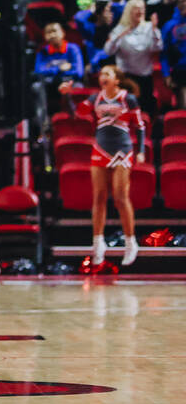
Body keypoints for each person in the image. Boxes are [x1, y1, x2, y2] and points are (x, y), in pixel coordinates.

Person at [62, 66, 144, 267]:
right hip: (100, 148)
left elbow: (140, 126)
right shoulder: (95, 98)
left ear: (117, 80)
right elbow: (77, 113)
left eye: (108, 74)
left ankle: (130, 241)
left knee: (120, 197)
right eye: (101, 74)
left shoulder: (128, 98)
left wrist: (140, 150)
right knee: (98, 196)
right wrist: (67, 96)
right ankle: (98, 243)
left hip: (122, 150)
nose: (103, 77)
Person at [104, 0, 162, 114]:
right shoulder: (120, 29)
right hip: (126, 77)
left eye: (142, 8)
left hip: (145, 77)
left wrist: (155, 31)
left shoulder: (150, 27)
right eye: (136, 8)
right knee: (127, 111)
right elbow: (108, 51)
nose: (140, 11)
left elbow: (158, 48)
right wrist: (119, 36)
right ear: (129, 11)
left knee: (145, 112)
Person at [30, 21, 85, 132]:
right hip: (49, 83)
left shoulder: (73, 49)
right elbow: (38, 71)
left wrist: (50, 70)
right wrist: (60, 68)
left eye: (55, 31)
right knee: (36, 87)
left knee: (77, 86)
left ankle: (76, 123)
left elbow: (78, 72)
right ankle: (43, 128)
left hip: (68, 82)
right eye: (48, 33)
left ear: (63, 33)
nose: (52, 35)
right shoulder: (42, 52)